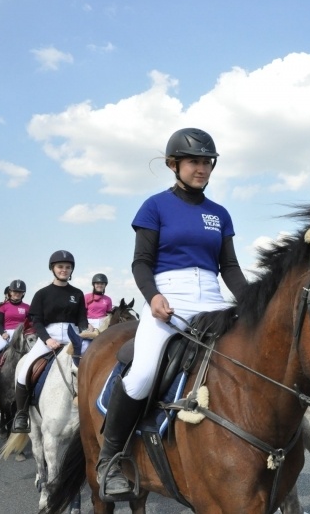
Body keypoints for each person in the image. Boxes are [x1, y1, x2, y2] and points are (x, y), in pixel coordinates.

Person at [96, 127, 247, 498]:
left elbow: (229, 267)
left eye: (207, 162)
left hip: (212, 300)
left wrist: (252, 301)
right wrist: (153, 297)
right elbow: (141, 263)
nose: (202, 168)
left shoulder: (220, 214)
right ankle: (110, 458)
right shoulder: (154, 206)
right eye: (194, 161)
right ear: (173, 164)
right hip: (169, 299)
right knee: (143, 373)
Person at [11, 250, 89, 433]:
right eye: (60, 267)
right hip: (48, 337)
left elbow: (81, 319)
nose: (64, 270)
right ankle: (22, 415)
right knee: (23, 373)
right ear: (52, 268)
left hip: (73, 338)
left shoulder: (77, 293)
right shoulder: (42, 294)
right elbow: (36, 321)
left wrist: (86, 330)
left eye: (68, 267)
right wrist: (47, 339)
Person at [0, 280, 30, 358]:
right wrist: (3, 333)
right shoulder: (2, 306)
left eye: (20, 292)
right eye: (15, 291)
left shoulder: (27, 307)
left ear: (23, 293)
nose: (17, 294)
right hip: (7, 334)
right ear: (10, 292)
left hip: (22, 334)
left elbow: (30, 322)